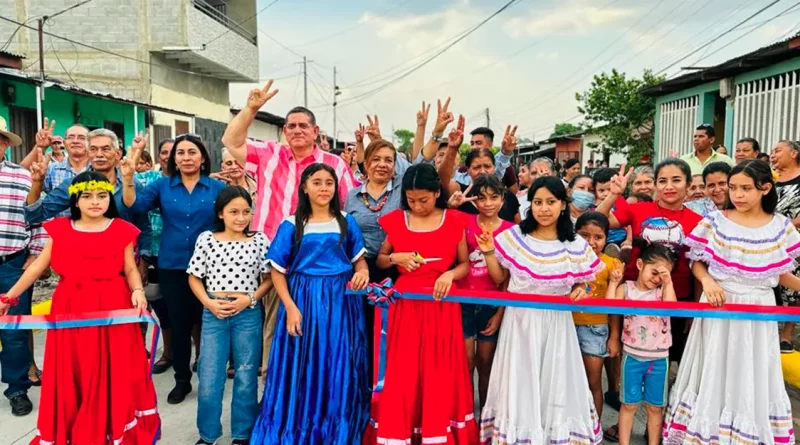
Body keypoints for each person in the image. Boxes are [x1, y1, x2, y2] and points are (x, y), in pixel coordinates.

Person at [0, 171, 159, 444]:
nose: (95, 202)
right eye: (87, 196)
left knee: (114, 370)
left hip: (113, 307)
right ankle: (76, 429)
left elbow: (130, 268)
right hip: (70, 308)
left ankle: (112, 427)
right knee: (76, 368)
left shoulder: (121, 229)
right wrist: (8, 298)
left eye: (101, 196)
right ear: (75, 200)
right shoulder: (60, 229)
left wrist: (137, 292)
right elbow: (38, 266)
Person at [663, 159, 800, 445]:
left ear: (765, 188)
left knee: (752, 370)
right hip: (719, 305)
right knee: (714, 368)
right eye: (733, 188)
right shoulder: (715, 221)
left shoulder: (780, 226)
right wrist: (710, 282)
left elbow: (781, 272)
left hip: (759, 309)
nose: (737, 195)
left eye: (746, 188)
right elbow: (695, 262)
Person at [222, 81, 357, 371]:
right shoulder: (269, 154)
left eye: (303, 126)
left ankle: (310, 392)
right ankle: (274, 391)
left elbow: (348, 208)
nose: (296, 131)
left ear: (315, 131)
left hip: (320, 264)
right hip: (274, 260)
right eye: (290, 126)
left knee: (317, 331)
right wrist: (251, 108)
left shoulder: (333, 164)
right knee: (274, 323)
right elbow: (231, 141)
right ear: (284, 132)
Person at [251, 164, 370, 444]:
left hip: (341, 303)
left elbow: (359, 260)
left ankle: (336, 427)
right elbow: (277, 270)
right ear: (304, 187)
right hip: (302, 299)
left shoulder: (345, 221)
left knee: (337, 361)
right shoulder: (291, 224)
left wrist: (362, 272)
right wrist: (290, 307)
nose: (324, 188)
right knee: (302, 364)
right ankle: (300, 427)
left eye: (329, 183)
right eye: (317, 182)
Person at [478, 176, 602, 445]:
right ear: (529, 205)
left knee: (555, 380)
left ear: (562, 205)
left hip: (557, 322)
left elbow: (585, 280)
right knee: (520, 379)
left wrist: (582, 288)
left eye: (550, 202)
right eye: (537, 202)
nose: (544, 208)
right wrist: (488, 252)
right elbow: (500, 278)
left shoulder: (574, 243)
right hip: (520, 322)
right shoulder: (514, 237)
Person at [363, 163, 477, 445]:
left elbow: (464, 264)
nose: (418, 206)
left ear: (437, 193)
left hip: (442, 304)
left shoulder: (453, 220)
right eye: (411, 200)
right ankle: (402, 430)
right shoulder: (397, 220)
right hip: (406, 306)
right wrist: (395, 259)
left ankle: (436, 430)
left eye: (424, 200)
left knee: (438, 370)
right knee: (404, 371)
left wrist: (449, 274)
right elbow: (380, 259)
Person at [595, 159, 703, 440]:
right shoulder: (638, 209)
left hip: (675, 302)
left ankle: (661, 428)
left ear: (689, 185)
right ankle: (624, 424)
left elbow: (699, 267)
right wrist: (614, 194)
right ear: (654, 184)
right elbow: (599, 221)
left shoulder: (698, 221)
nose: (669, 186)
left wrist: (693, 315)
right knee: (629, 360)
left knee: (665, 368)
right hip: (632, 298)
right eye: (663, 180)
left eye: (676, 180)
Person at [122, 133, 227, 404]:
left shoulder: (216, 188)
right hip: (173, 265)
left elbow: (236, 215)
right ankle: (182, 380)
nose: (186, 158)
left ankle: (210, 377)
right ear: (173, 159)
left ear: (203, 157)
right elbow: (134, 207)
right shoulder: (162, 186)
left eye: (192, 152)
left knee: (209, 323)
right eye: (180, 153)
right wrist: (128, 177)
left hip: (212, 266)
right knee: (179, 325)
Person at [188, 186, 272, 445]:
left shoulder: (259, 240)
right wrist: (209, 303)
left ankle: (242, 433)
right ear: (221, 213)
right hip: (214, 314)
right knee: (210, 376)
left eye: (246, 211)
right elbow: (194, 277)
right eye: (233, 211)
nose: (241, 217)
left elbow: (268, 279)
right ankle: (208, 434)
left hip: (247, 314)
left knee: (246, 375)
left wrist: (251, 299)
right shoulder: (207, 239)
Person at [344, 139, 410, 386]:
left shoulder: (402, 191)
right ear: (366, 163)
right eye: (376, 159)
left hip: (394, 268)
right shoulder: (350, 196)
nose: (382, 165)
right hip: (359, 270)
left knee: (392, 333)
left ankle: (391, 388)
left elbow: (424, 163)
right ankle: (364, 387)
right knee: (362, 331)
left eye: (388, 160)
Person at [607, 241, 676, 445]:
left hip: (659, 358)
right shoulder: (626, 289)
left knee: (655, 407)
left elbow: (671, 308)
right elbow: (609, 306)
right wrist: (612, 283)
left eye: (662, 275)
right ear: (639, 265)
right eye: (654, 272)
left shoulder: (662, 292)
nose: (657, 279)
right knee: (628, 404)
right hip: (632, 357)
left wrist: (668, 283)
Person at [0, 118, 47, 416]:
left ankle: (17, 389)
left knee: (14, 332)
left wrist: (37, 254)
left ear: (4, 144)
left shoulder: (22, 178)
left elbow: (38, 218)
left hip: (12, 264)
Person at [459, 173, 512, 409]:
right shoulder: (463, 223)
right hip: (463, 301)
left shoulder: (512, 231)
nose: (487, 203)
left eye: (493, 197)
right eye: (481, 198)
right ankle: (467, 413)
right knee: (466, 362)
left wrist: (500, 313)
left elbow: (509, 278)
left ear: (502, 199)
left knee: (486, 362)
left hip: (493, 303)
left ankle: (487, 417)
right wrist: (454, 204)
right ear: (473, 200)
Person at [574, 212, 622, 421]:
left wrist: (613, 337)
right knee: (568, 380)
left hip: (596, 330)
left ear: (606, 238)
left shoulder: (612, 265)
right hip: (566, 326)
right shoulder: (568, 260)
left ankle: (594, 432)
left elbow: (615, 310)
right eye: (584, 235)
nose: (591, 243)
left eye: (598, 237)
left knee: (593, 382)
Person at [136, 138, 177, 374]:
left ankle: (169, 352)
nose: (169, 156)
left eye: (174, 152)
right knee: (146, 304)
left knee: (170, 308)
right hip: (148, 252)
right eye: (164, 152)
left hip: (175, 255)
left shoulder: (190, 182)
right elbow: (131, 197)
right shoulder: (148, 180)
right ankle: (140, 350)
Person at [440, 117, 520, 223]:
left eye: (487, 166)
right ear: (467, 170)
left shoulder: (508, 198)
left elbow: (519, 233)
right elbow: (444, 179)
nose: (482, 171)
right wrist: (452, 148)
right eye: (476, 167)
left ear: (494, 168)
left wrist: (506, 152)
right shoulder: (460, 194)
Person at [771, 140, 800, 353]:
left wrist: (789, 225)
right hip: (769, 237)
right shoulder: (770, 179)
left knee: (792, 285)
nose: (773, 154)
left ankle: (787, 333)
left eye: (778, 150)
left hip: (794, 238)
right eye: (772, 151)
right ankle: (770, 326)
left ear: (794, 153)